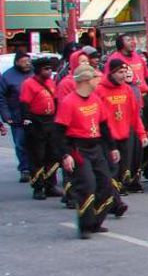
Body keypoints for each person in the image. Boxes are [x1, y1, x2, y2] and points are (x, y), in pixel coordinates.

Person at [54, 65, 120, 239]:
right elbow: (59, 132)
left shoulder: (95, 99)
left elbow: (104, 125)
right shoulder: (69, 102)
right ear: (85, 80)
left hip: (95, 147)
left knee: (106, 183)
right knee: (87, 186)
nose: (99, 81)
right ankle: (85, 225)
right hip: (78, 148)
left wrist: (112, 147)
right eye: (95, 78)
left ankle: (96, 221)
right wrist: (65, 155)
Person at [95, 59, 147, 211]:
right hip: (107, 139)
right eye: (120, 72)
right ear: (111, 73)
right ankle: (116, 204)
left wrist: (142, 134)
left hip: (125, 136)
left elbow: (134, 115)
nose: (123, 75)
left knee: (122, 171)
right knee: (111, 171)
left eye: (125, 72)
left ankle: (109, 201)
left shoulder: (127, 90)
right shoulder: (100, 90)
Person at [19, 57, 60, 200]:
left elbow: (56, 101)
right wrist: (28, 122)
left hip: (51, 121)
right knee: (37, 156)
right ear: (38, 70)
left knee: (52, 154)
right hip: (37, 122)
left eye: (50, 69)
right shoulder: (28, 84)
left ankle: (50, 185)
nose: (49, 72)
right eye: (46, 69)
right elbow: (24, 104)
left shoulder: (52, 83)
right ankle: (38, 187)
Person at [0, 51, 35, 182]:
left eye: (28, 61)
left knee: (36, 143)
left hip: (34, 115)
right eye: (24, 61)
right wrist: (6, 115)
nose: (27, 63)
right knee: (21, 143)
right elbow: (1, 98)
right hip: (17, 115)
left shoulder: (34, 72)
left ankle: (36, 167)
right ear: (16, 62)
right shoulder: (7, 76)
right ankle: (25, 168)